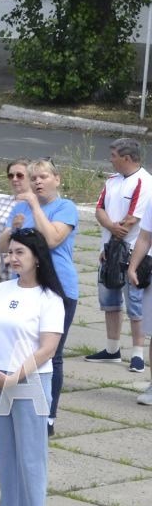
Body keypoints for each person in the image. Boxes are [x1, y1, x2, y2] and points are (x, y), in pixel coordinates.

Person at [0, 227, 65, 506]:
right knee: (5, 455)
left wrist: (14, 377)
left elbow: (47, 349)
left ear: (37, 258)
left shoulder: (50, 299)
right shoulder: (2, 290)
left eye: (20, 253)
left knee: (31, 457)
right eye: (10, 252)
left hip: (30, 382)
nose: (12, 258)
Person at [0, 158, 78, 433]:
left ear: (57, 178)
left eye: (43, 177)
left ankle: (48, 416)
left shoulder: (65, 207)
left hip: (59, 288)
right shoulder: (20, 208)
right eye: (34, 178)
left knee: (50, 353)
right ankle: (18, 403)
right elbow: (3, 246)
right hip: (26, 287)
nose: (38, 182)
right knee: (23, 349)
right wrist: (13, 228)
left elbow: (54, 239)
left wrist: (34, 205)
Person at [88, 138, 152, 372]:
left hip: (132, 252)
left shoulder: (145, 182)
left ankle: (137, 353)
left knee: (135, 303)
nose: (110, 159)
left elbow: (133, 219)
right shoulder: (112, 181)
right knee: (110, 301)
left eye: (113, 155)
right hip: (109, 250)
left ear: (126, 158)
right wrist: (111, 230)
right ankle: (112, 349)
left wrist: (115, 237)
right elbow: (99, 208)